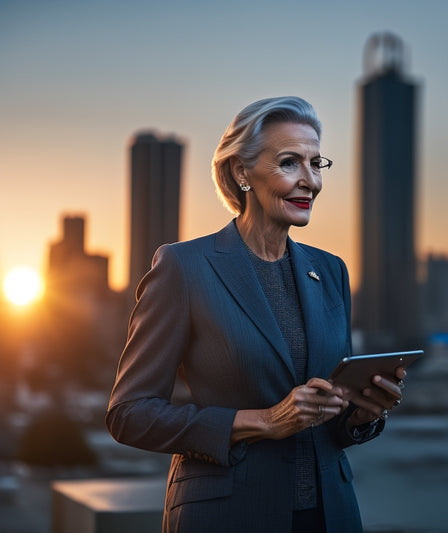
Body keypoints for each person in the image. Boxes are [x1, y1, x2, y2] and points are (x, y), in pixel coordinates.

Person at [105, 96, 406, 533]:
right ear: (241, 172)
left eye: (316, 163)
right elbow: (128, 414)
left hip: (330, 516)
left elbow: (329, 418)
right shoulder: (184, 267)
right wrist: (263, 421)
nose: (310, 181)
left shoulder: (332, 271)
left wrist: (362, 414)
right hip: (226, 514)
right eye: (289, 163)